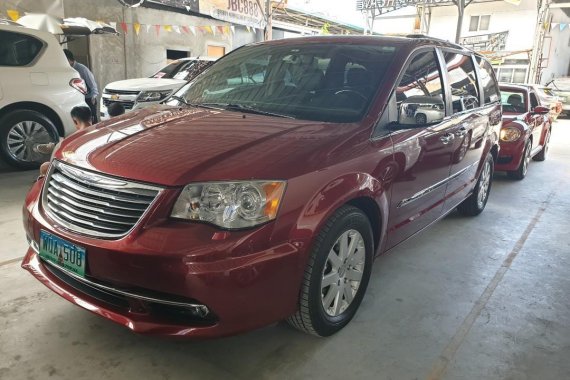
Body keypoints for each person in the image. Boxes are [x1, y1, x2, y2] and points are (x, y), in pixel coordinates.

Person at [37, 106, 92, 176]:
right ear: (91, 118)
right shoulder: (100, 133)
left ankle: (52, 147)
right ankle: (52, 146)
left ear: (75, 121)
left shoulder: (72, 138)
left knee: (44, 167)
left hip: (77, 171)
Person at [63, 49, 99, 123]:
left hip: (88, 99)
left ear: (68, 59)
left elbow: (92, 85)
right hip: (77, 99)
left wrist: (93, 97)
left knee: (92, 122)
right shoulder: (68, 70)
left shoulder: (82, 69)